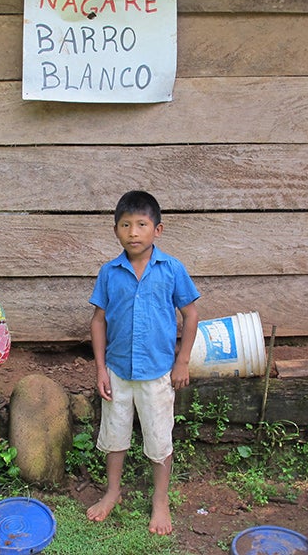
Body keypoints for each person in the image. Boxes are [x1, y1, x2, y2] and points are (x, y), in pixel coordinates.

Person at [86, 190, 200, 535]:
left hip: (157, 373)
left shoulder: (171, 269)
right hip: (118, 372)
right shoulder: (110, 272)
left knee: (158, 439)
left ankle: (160, 501)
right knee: (115, 434)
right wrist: (101, 368)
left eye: (141, 224)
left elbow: (191, 313)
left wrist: (182, 361)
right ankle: (113, 492)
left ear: (158, 230)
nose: (133, 232)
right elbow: (98, 320)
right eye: (125, 225)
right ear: (115, 230)